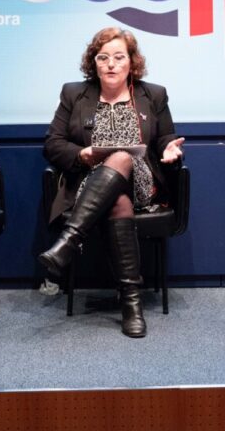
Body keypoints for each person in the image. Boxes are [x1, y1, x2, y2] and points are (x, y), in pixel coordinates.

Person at [38, 27, 184, 338]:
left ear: (132, 62)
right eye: (103, 58)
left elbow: (166, 137)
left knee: (121, 157)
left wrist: (171, 150)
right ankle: (132, 305)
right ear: (94, 62)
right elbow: (52, 144)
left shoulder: (153, 94)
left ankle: (68, 241)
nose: (111, 64)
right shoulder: (74, 94)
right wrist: (82, 154)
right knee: (118, 202)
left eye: (119, 57)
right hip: (89, 182)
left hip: (142, 182)